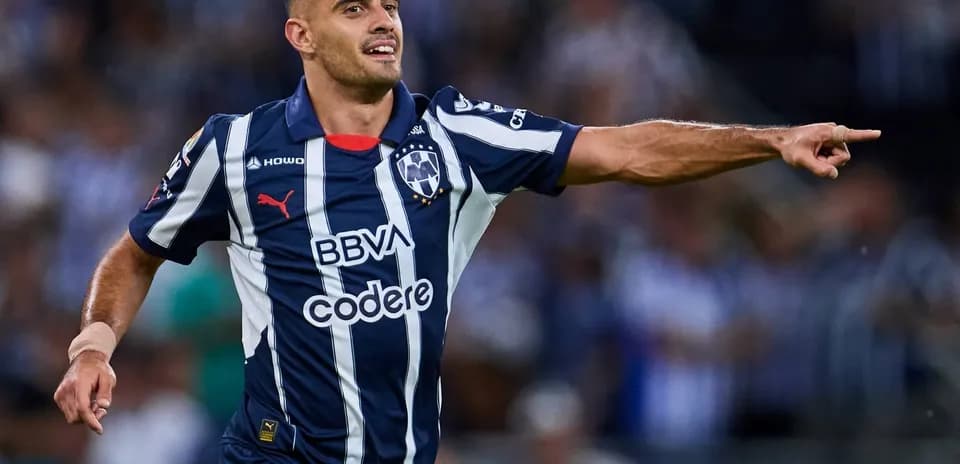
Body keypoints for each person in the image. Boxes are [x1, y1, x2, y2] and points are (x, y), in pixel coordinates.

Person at [52, 1, 881, 462]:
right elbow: (138, 250)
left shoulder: (453, 135)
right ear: (300, 35)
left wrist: (767, 142)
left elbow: (624, 149)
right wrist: (95, 341)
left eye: (389, 4)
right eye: (352, 8)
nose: (383, 21)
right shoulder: (234, 147)